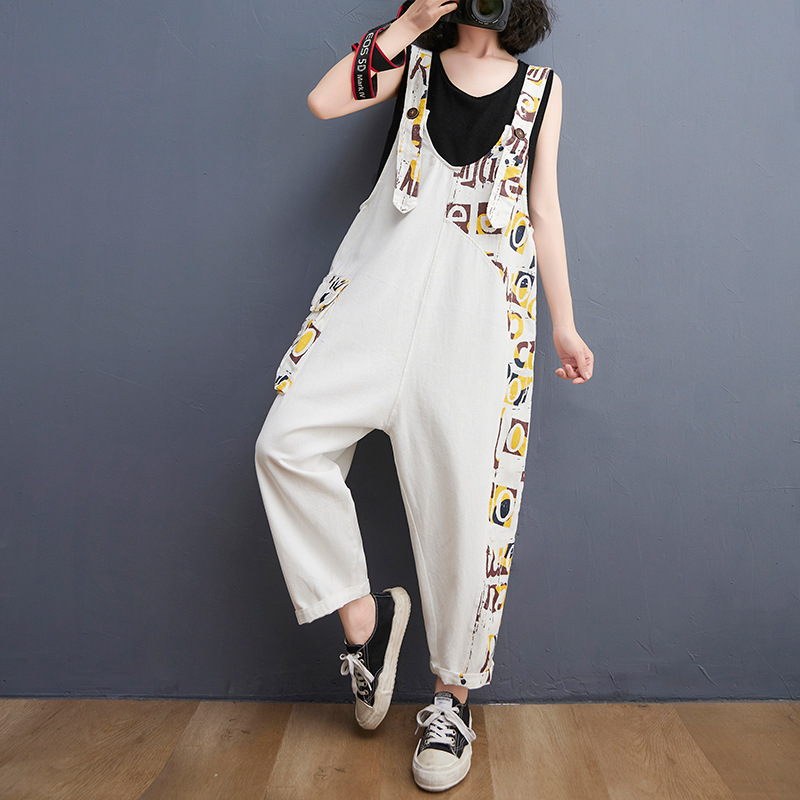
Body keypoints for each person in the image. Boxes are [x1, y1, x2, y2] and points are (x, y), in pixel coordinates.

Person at [254, 0, 594, 791]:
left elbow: (543, 209)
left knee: (467, 506)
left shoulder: (542, 89)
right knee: (285, 444)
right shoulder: (408, 62)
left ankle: (450, 702)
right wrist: (408, 25)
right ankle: (365, 621)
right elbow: (324, 100)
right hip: (377, 297)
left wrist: (566, 325)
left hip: (477, 316)